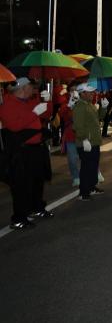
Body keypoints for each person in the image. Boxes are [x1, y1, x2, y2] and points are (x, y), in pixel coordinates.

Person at [0, 78, 53, 229]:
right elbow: (15, 126)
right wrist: (34, 113)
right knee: (21, 185)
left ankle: (36, 207)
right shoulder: (7, 105)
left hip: (35, 148)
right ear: (23, 88)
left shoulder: (27, 102)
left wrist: (48, 101)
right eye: (31, 87)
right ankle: (19, 218)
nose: (34, 90)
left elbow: (46, 114)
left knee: (38, 180)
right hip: (21, 152)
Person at [72, 83, 104, 201]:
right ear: (82, 93)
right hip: (86, 142)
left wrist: (104, 108)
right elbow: (78, 126)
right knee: (86, 167)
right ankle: (83, 192)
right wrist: (84, 138)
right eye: (90, 92)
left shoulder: (89, 105)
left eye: (92, 92)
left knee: (93, 166)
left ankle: (91, 187)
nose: (92, 94)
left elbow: (97, 120)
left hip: (93, 141)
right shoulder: (80, 106)